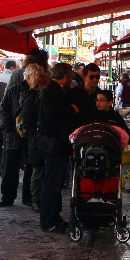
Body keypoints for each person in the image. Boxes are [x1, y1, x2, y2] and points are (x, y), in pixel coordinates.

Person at [37, 62, 78, 233]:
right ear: (66, 76)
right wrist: (71, 110)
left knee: (56, 183)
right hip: (54, 144)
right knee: (52, 182)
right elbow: (54, 117)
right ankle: (48, 220)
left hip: (58, 144)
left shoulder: (56, 90)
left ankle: (54, 216)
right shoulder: (51, 91)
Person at [0, 63, 43, 207]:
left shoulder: (41, 92)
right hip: (14, 135)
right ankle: (7, 196)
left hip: (32, 136)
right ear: (29, 77)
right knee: (11, 166)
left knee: (30, 166)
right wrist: (9, 129)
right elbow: (3, 110)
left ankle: (28, 196)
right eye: (37, 76)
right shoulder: (13, 91)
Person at [21, 65, 48, 211]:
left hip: (39, 137)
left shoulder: (37, 96)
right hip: (36, 138)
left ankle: (36, 198)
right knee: (37, 169)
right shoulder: (31, 98)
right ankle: (35, 198)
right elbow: (27, 121)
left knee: (39, 169)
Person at [70, 62, 101, 126]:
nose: (95, 80)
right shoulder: (74, 93)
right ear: (84, 78)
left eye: (97, 77)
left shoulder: (100, 95)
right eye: (91, 77)